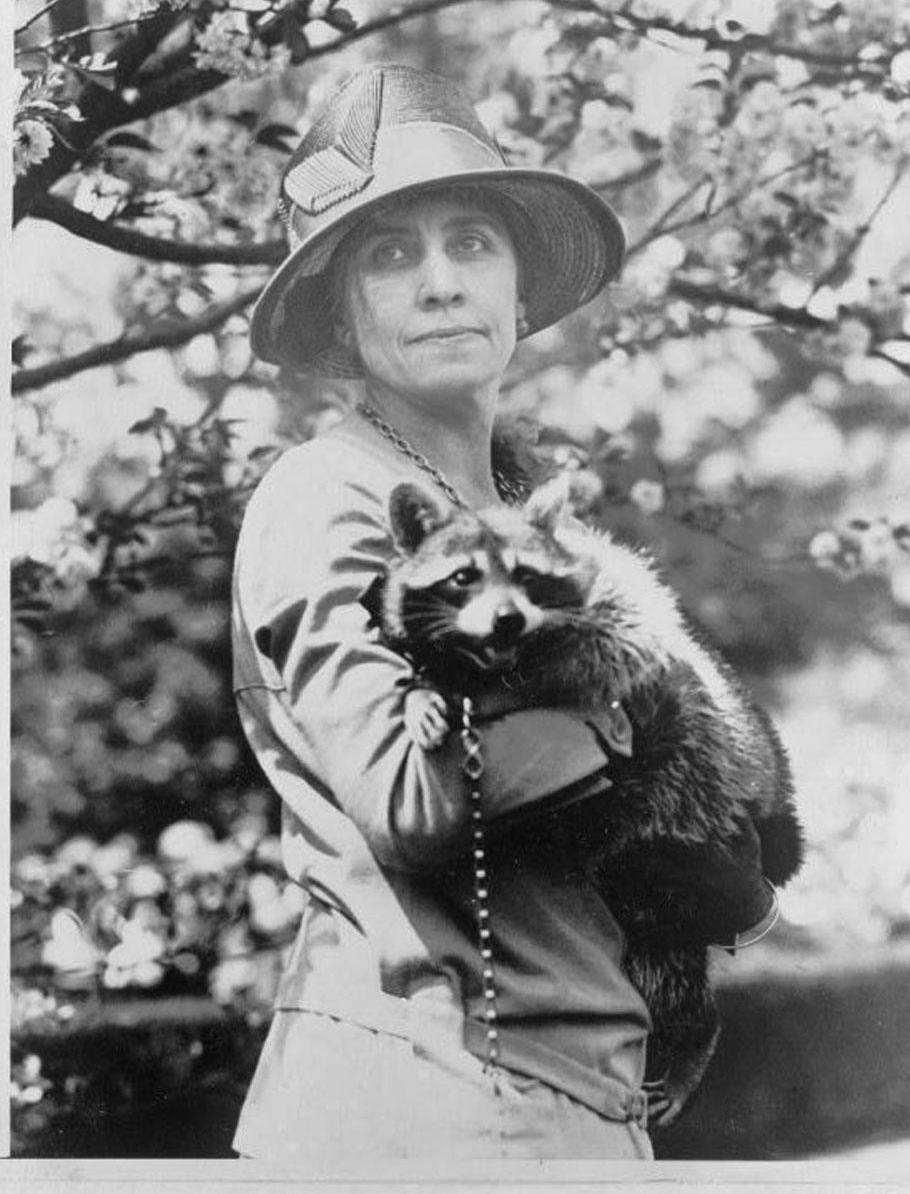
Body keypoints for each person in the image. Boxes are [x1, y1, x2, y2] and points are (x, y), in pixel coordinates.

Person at [231, 63, 777, 1164]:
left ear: (520, 293)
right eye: (391, 255)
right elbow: (409, 796)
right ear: (341, 320)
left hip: (571, 1097)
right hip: (432, 1097)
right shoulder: (326, 492)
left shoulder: (519, 514)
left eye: (471, 242)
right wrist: (626, 727)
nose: (440, 283)